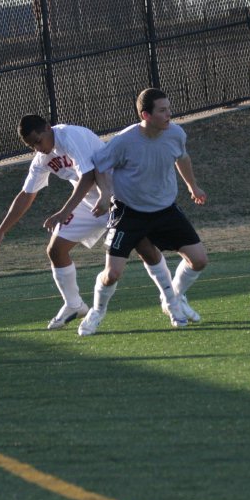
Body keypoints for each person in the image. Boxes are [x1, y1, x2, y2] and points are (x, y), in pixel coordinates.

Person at [0, 114, 188, 331]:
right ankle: (74, 304)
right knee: (56, 249)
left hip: (117, 194)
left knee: (145, 248)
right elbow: (26, 195)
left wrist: (64, 212)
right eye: (31, 146)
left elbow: (89, 176)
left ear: (48, 127)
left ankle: (171, 300)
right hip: (88, 202)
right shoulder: (42, 157)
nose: (37, 148)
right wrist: (1, 231)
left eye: (38, 141)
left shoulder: (69, 136)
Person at [45, 88, 208, 336]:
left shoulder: (176, 133)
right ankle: (96, 313)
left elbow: (182, 157)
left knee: (199, 260)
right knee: (113, 273)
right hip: (128, 213)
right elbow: (99, 165)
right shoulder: (124, 140)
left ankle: (173, 298)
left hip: (165, 210)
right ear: (146, 114)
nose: (169, 115)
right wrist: (105, 195)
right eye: (162, 110)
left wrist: (192, 185)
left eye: (169, 109)